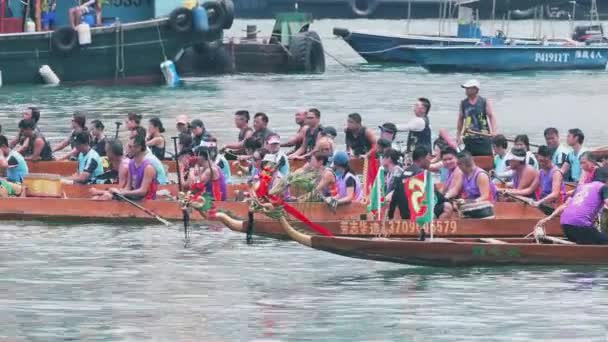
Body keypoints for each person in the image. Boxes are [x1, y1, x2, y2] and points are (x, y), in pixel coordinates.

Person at [537, 167, 608, 245]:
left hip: (565, 226)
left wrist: (548, 218)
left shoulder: (581, 187)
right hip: (580, 226)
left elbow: (565, 205)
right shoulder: (604, 187)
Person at [388, 146, 452, 220]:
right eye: (429, 158)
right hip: (420, 214)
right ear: (422, 159)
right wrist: (448, 201)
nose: (430, 161)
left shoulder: (402, 174)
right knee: (447, 207)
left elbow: (394, 196)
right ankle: (435, 230)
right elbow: (435, 195)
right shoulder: (422, 173)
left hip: (405, 215)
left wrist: (390, 215)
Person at [107, 133, 157, 201]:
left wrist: (125, 192)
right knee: (107, 196)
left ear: (139, 148)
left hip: (147, 201)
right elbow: (128, 186)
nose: (127, 149)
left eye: (130, 147)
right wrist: (120, 192)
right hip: (135, 198)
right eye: (128, 146)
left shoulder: (148, 168)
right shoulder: (131, 163)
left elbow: (143, 191)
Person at [456, 79, 497, 156]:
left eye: (468, 88)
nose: (466, 90)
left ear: (475, 89)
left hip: (483, 136)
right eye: (466, 88)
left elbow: (491, 116)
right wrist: (458, 136)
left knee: (486, 157)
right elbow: (460, 120)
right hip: (469, 136)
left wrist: (494, 131)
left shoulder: (484, 101)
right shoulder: (463, 103)